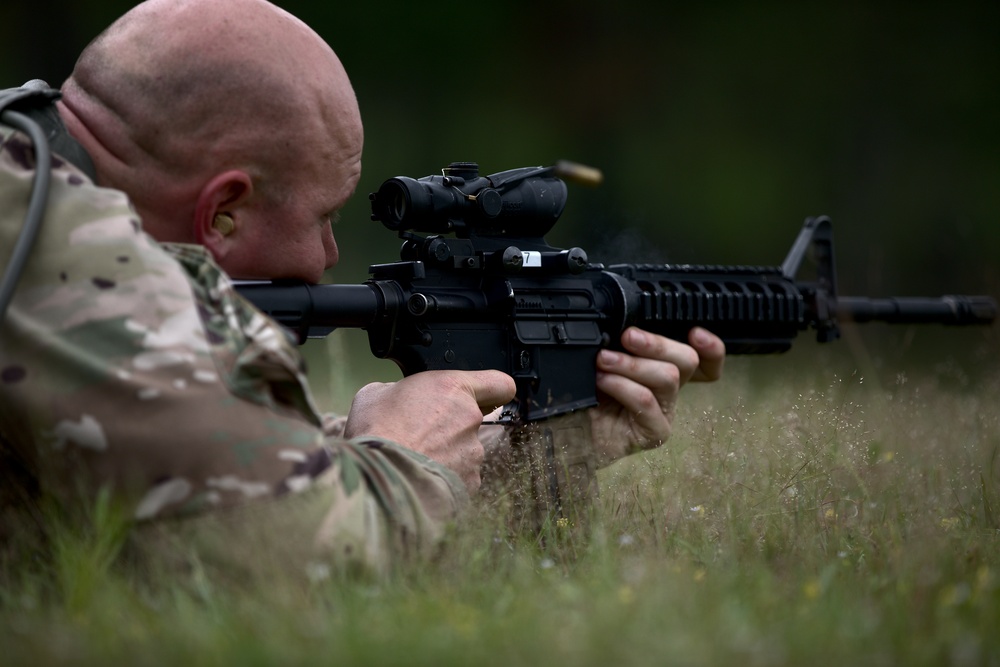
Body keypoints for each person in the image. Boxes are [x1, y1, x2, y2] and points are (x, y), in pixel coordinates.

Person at [0, 0, 724, 573]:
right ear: (222, 211)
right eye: (325, 218)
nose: (329, 256)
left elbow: (173, 473)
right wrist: (402, 459)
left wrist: (521, 456)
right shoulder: (72, 252)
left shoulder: (30, 191)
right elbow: (272, 554)